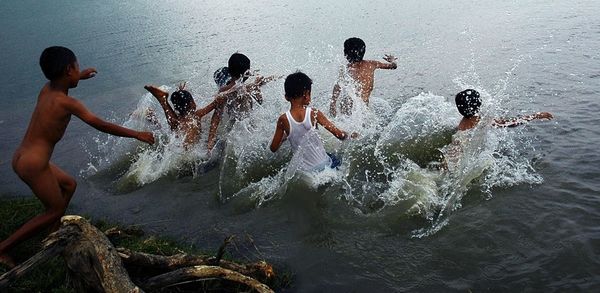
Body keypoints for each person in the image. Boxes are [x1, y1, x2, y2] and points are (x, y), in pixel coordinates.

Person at [0, 46, 155, 268]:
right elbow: (99, 124)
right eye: (77, 66)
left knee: (69, 185)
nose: (79, 69)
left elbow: (61, 81)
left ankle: (51, 236)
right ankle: (4, 248)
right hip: (34, 164)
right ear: (67, 70)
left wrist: (80, 76)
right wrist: (137, 133)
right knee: (53, 209)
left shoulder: (47, 90)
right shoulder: (67, 103)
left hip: (23, 156)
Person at [441, 89, 553, 170]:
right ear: (477, 104)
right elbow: (510, 123)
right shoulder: (481, 120)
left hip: (453, 151)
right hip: (459, 155)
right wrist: (536, 116)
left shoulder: (463, 121)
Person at [270, 71, 356, 171]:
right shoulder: (314, 113)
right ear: (306, 94)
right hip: (323, 165)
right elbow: (339, 135)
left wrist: (285, 136)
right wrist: (350, 135)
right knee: (340, 160)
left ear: (286, 97)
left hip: (303, 170)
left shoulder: (283, 120)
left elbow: (273, 148)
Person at [330, 37, 398, 117]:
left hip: (347, 107)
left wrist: (333, 104)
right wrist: (392, 60)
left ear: (345, 53)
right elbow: (393, 66)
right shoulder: (372, 64)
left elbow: (337, 87)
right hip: (362, 110)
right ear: (363, 52)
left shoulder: (345, 69)